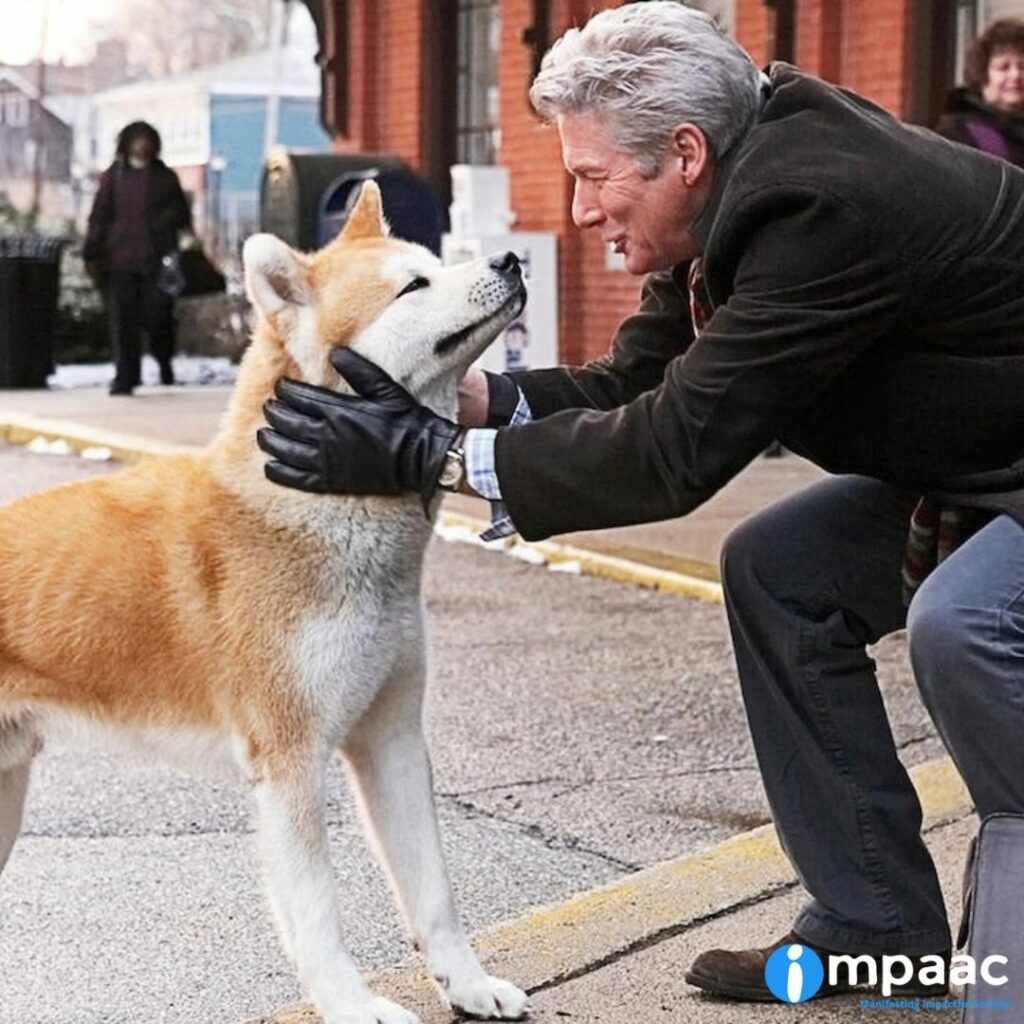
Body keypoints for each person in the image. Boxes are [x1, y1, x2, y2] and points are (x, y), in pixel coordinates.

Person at [257, 2, 1024, 1003]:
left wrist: (422, 455)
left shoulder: (818, 205)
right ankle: (877, 921)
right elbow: (635, 386)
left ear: (684, 154)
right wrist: (452, 395)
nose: (580, 210)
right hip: (980, 460)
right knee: (777, 572)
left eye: (590, 176)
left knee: (962, 624)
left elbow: (676, 449)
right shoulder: (736, 191)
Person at [83, 121, 192, 395]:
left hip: (158, 262)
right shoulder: (113, 177)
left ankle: (164, 362)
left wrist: (164, 223)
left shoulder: (165, 177)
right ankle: (125, 377)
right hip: (119, 262)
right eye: (136, 140)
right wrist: (92, 251)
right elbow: (99, 216)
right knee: (123, 322)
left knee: (159, 317)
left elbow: (182, 215)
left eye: (146, 140)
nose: (141, 146)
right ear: (126, 144)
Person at [936, 18, 1024, 167]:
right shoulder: (958, 133)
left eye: (1022, 67)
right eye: (1003, 67)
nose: (1016, 75)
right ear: (981, 74)